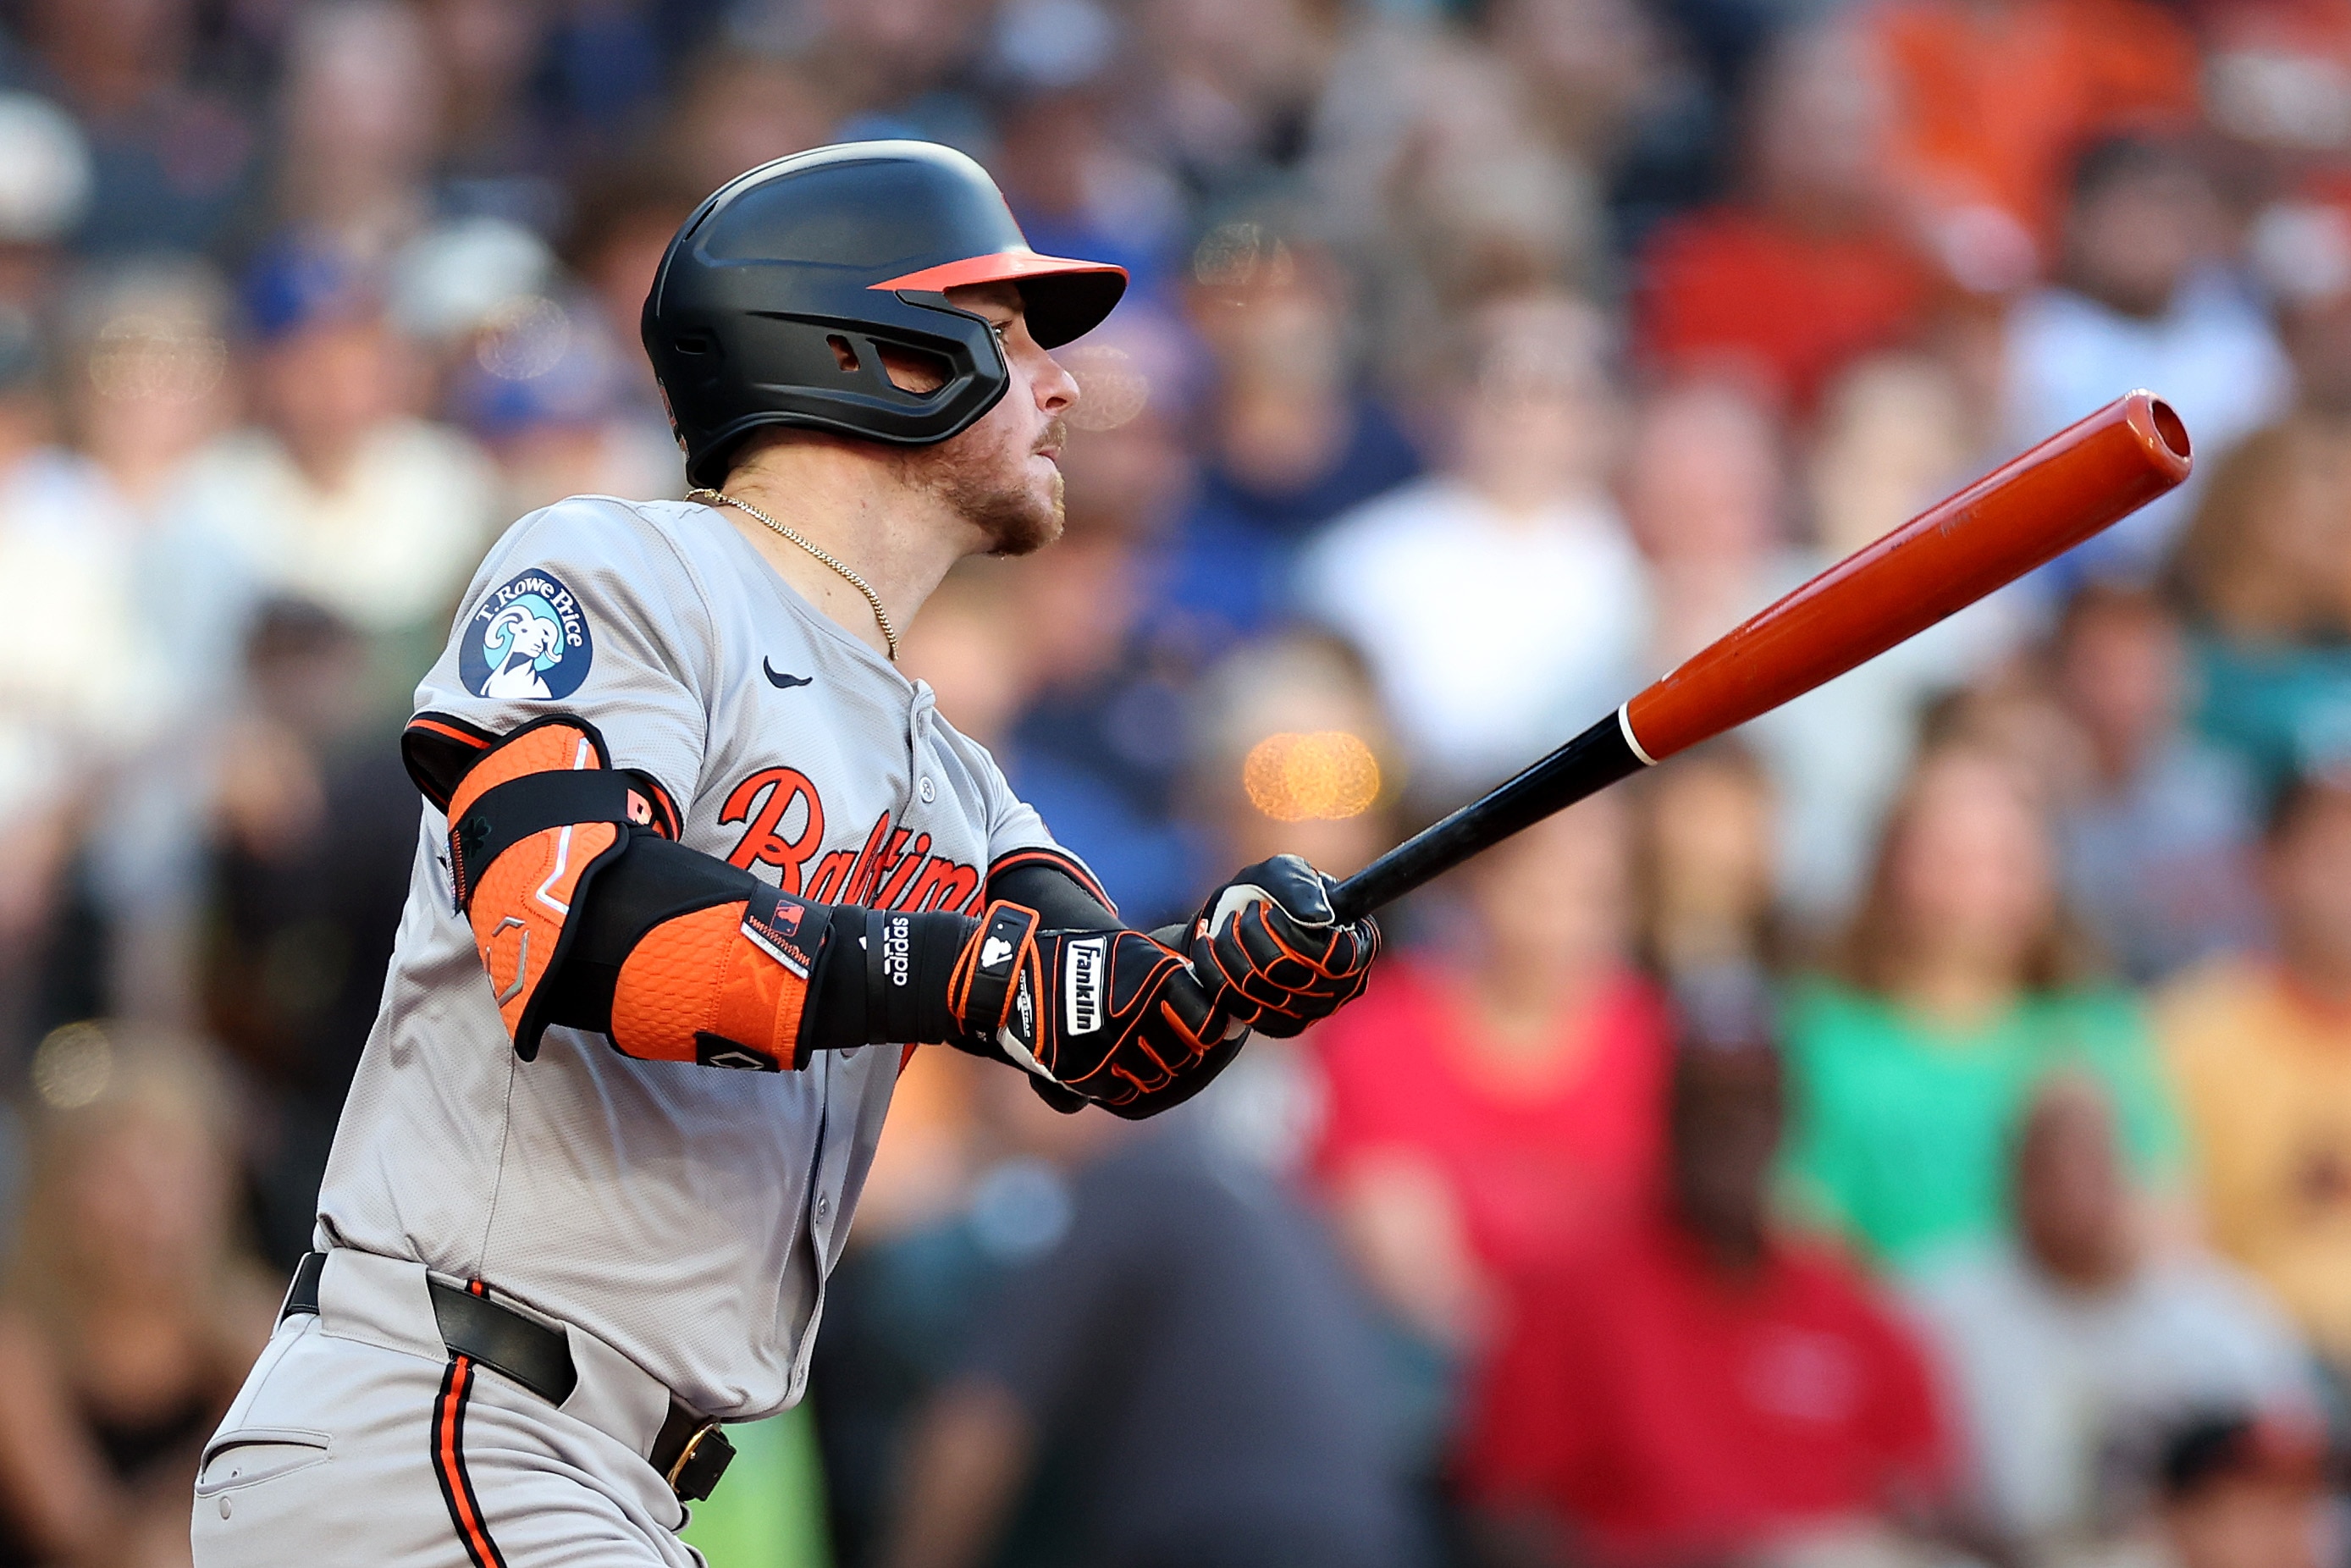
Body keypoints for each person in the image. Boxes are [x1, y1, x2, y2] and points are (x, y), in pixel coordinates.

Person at [189, 141, 1381, 1568]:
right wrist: (976, 968)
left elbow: (1108, 1031)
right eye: (1010, 340)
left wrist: (1237, 963)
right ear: (873, 351)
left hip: (607, 1480)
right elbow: (562, 918)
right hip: (442, 1423)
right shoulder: (618, 567)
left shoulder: (955, 780)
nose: (1064, 385)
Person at [1463, 990, 1957, 1568]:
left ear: (1787, 1125)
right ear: (1666, 1116)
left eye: (1752, 1104)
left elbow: (1925, 1499)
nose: (1728, 1129)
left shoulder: (1854, 1313)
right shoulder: (1564, 1294)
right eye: (1704, 1104)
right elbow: (1500, 1517)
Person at [880, 1064, 1429, 1568]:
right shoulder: (1226, 1178)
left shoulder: (1125, 1184)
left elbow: (982, 1422)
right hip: (1369, 1536)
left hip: (1230, 1543)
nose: (989, 1096)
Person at [1781, 743, 2183, 1272]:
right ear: (1890, 865)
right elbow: (1806, 1241)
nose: (1979, 887)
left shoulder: (2097, 1031)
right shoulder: (1824, 1038)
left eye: (2007, 861)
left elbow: (2165, 1225)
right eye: (1952, 859)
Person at [1306, 796, 1669, 1355]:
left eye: (1594, 900)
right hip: (1426, 1360)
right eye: (1538, 893)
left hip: (1608, 1362)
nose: (1562, 929)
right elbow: (1393, 1245)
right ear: (1478, 884)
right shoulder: (1379, 1033)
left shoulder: (1654, 1043)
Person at [1907, 1074, 2316, 1554]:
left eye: (2092, 1162)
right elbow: (1905, 1492)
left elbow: (2293, 1481)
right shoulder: (1938, 1310)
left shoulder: (2222, 1319)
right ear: (2011, 1175)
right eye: (2049, 1166)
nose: (2072, 1188)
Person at [1295, 291, 1650, 801]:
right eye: (1502, 384)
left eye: (1553, 389)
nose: (1525, 414)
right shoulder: (1359, 560)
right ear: (1452, 399)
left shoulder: (1641, 558)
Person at [0, 1024, 275, 1568]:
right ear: (64, 1191)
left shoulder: (258, 1328)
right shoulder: (22, 1346)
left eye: (177, 1171)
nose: (154, 1206)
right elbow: (89, 1545)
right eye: (124, 1173)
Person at [2001, 137, 2291, 587]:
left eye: (2173, 211)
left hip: (2206, 590)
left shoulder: (2243, 347)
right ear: (2077, 218)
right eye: (2134, 209)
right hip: (2050, 589)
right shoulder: (2025, 338)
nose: (2155, 230)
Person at [2161, 770, 2351, 1373]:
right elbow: (2168, 1256)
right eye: (2333, 854)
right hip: (2254, 1378)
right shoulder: (2187, 1035)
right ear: (2267, 865)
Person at [2049, 585, 2264, 985]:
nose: (2122, 693)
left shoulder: (2229, 797)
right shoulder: (2036, 799)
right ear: (2063, 676)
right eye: (2101, 668)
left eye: (2140, 667)